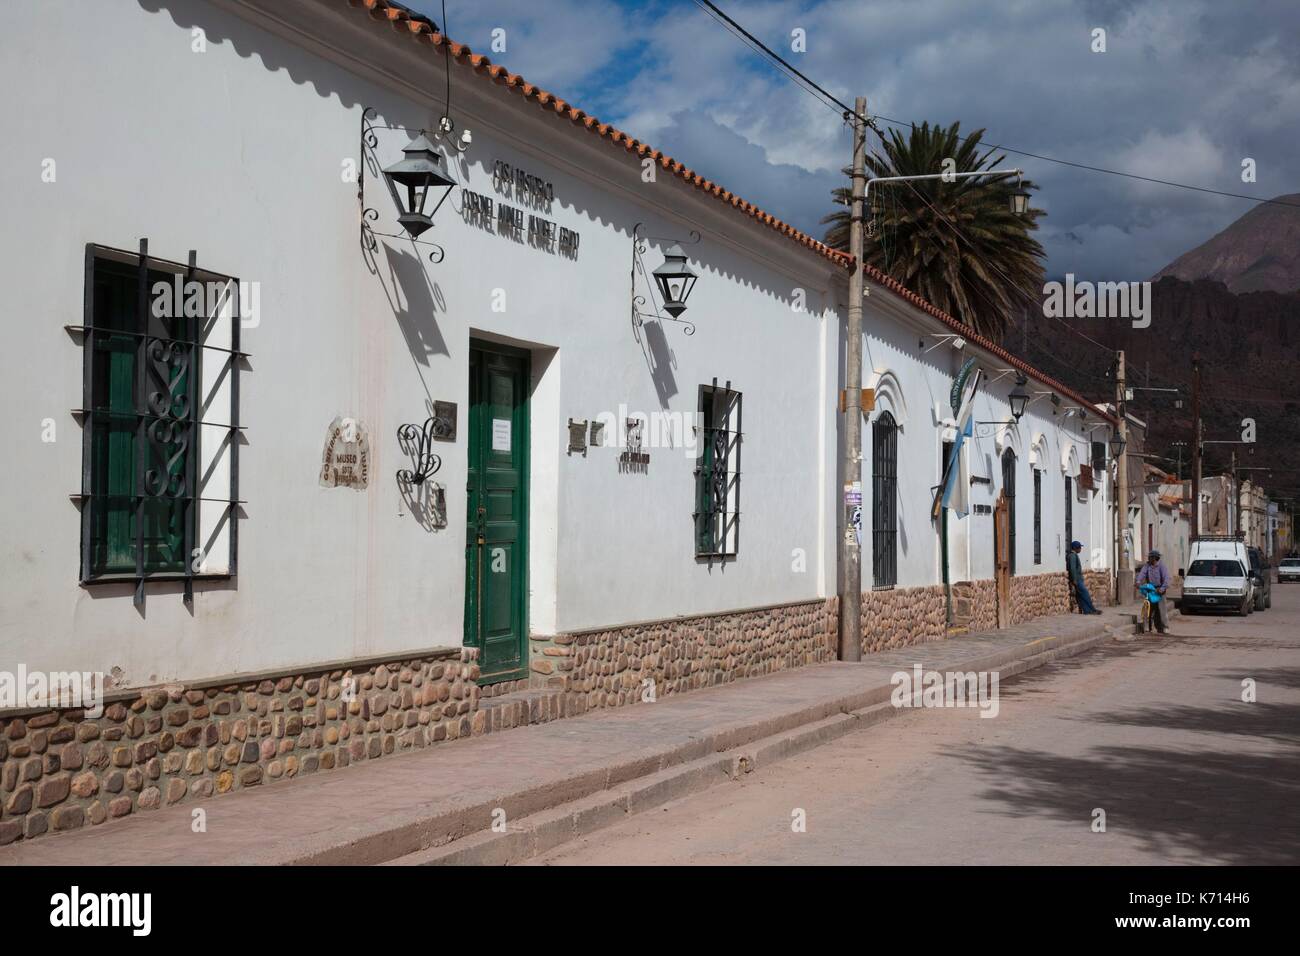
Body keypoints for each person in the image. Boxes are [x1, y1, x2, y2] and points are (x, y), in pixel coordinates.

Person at [1135, 549, 1171, 634]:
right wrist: (1138, 582)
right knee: (1147, 609)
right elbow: (1142, 574)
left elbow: (1166, 579)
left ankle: (1165, 627)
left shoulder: (1162, 566)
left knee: (1162, 610)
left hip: (1159, 590)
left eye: (1150, 557)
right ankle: (1147, 627)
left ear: (1155, 558)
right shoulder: (1147, 566)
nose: (1149, 559)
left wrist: (1162, 589)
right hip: (1150, 589)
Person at [1067, 540, 1102, 614]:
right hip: (1077, 580)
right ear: (1076, 548)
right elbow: (1072, 569)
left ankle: (1087, 610)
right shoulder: (1073, 556)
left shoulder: (1074, 555)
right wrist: (1075, 580)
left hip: (1078, 579)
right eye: (1079, 547)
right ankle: (1092, 610)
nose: (1080, 549)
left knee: (1080, 596)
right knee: (1085, 594)